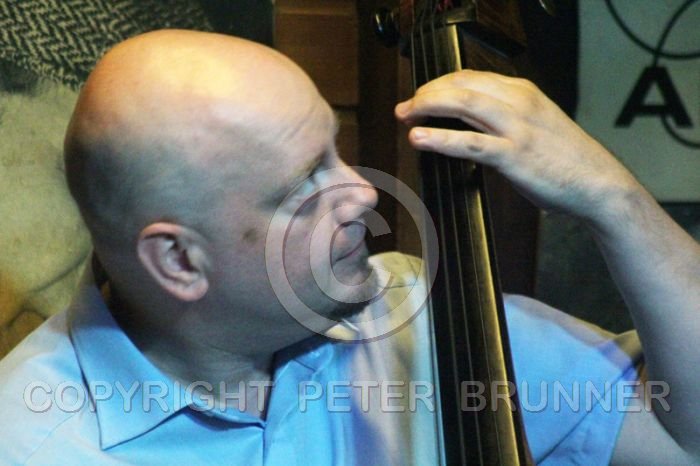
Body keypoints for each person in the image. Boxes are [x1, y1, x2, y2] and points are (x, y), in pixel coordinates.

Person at [0, 29, 697, 465]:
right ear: (179, 261)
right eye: (306, 184)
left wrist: (614, 200)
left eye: (334, 151)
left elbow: (682, 439)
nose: (363, 193)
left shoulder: (412, 315)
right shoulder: (33, 443)